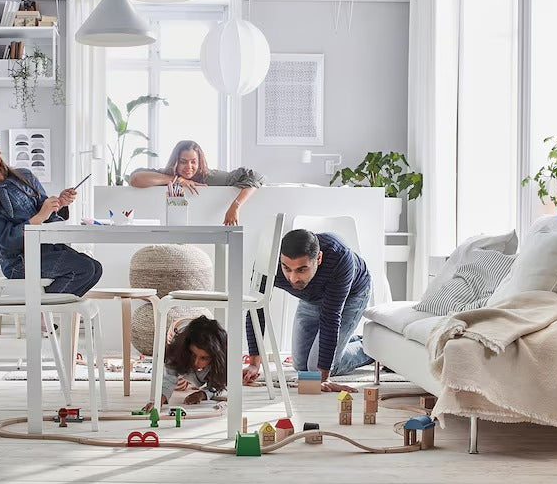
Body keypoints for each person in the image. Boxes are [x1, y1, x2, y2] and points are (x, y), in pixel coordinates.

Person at [0, 132, 102, 297]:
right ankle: (39, 312)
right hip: (18, 262)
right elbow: (6, 240)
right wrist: (39, 217)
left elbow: (48, 216)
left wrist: (59, 203)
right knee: (85, 268)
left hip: (45, 252)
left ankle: (40, 310)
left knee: (95, 268)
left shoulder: (25, 177)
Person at [243, 229, 374, 393]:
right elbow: (256, 308)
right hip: (310, 298)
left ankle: (373, 349)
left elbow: (331, 319)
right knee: (300, 365)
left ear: (318, 258)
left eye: (301, 269)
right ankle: (345, 343)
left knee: (314, 370)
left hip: (350, 296)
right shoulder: (267, 261)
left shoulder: (340, 258)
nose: (293, 278)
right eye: (286, 268)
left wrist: (324, 378)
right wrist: (254, 364)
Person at [129, 140, 265, 225]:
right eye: (183, 162)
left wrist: (235, 206)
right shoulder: (167, 174)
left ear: (199, 161)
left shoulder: (210, 176)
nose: (189, 167)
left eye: (193, 162)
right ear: (175, 162)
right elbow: (135, 178)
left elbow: (256, 177)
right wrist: (176, 180)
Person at [142, 316, 228, 411]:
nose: (196, 362)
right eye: (193, 354)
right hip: (178, 328)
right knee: (180, 386)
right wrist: (158, 401)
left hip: (200, 327)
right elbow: (168, 380)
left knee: (197, 380)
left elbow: (216, 386)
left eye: (204, 358)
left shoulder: (222, 359)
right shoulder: (178, 349)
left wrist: (201, 394)